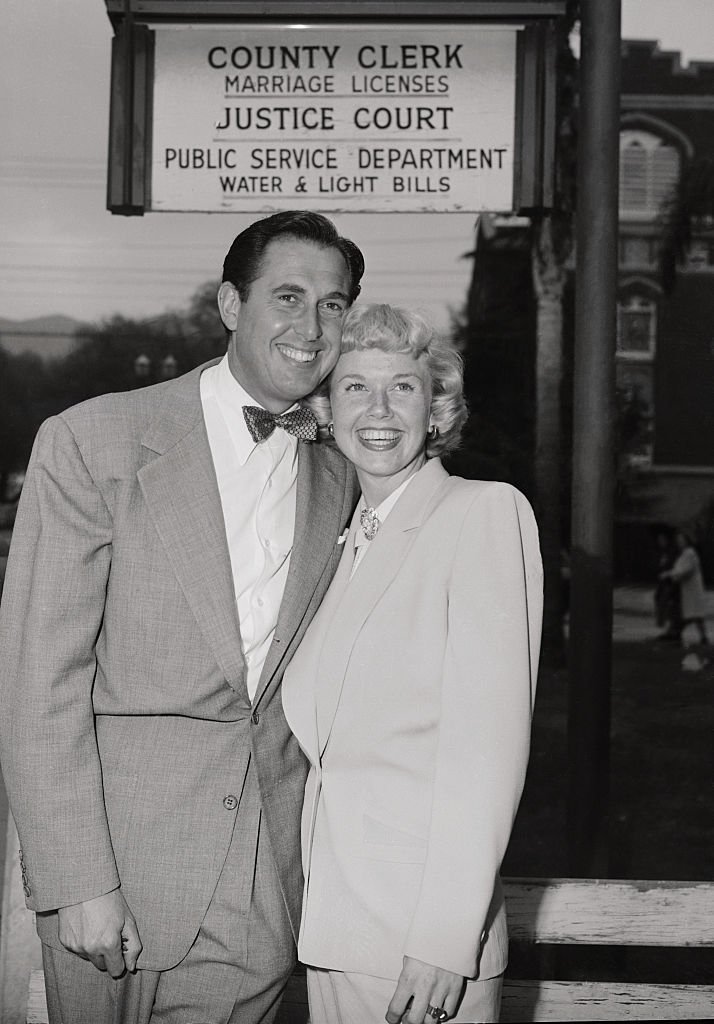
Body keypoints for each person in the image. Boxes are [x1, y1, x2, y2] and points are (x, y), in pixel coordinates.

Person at [0, 211, 364, 1024]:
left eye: (334, 305)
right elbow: (37, 684)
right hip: (118, 877)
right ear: (231, 304)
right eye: (289, 296)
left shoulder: (342, 467)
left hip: (267, 882)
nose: (312, 327)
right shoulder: (95, 443)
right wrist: (79, 880)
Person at [282, 304, 543, 1024]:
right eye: (355, 387)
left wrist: (443, 939)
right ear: (325, 413)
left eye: (403, 386)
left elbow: (486, 752)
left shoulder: (484, 514)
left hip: (420, 949)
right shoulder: (342, 546)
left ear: (436, 411)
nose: (379, 408)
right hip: (335, 928)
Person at [660, 530, 710, 646]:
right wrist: (672, 574)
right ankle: (679, 633)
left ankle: (700, 636)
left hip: (692, 589)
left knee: (695, 614)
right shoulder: (684, 554)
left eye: (681, 540)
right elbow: (680, 570)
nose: (679, 543)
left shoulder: (689, 553)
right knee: (692, 614)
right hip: (688, 589)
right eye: (678, 540)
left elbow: (684, 570)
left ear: (687, 541)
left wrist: (669, 574)